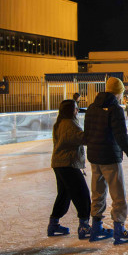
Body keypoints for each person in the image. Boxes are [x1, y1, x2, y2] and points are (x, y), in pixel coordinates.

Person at [83, 76, 128, 245]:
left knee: (98, 192)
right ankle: (119, 230)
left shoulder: (92, 107)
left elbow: (87, 134)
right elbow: (121, 137)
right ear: (118, 93)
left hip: (94, 158)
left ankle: (96, 227)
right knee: (118, 195)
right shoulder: (115, 109)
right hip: (109, 158)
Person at [48, 99, 92, 239]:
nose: (77, 110)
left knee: (64, 195)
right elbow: (84, 139)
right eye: (75, 109)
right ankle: (84, 226)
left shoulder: (61, 122)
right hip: (68, 164)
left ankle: (53, 224)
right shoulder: (69, 124)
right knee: (82, 195)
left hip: (59, 163)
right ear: (69, 111)